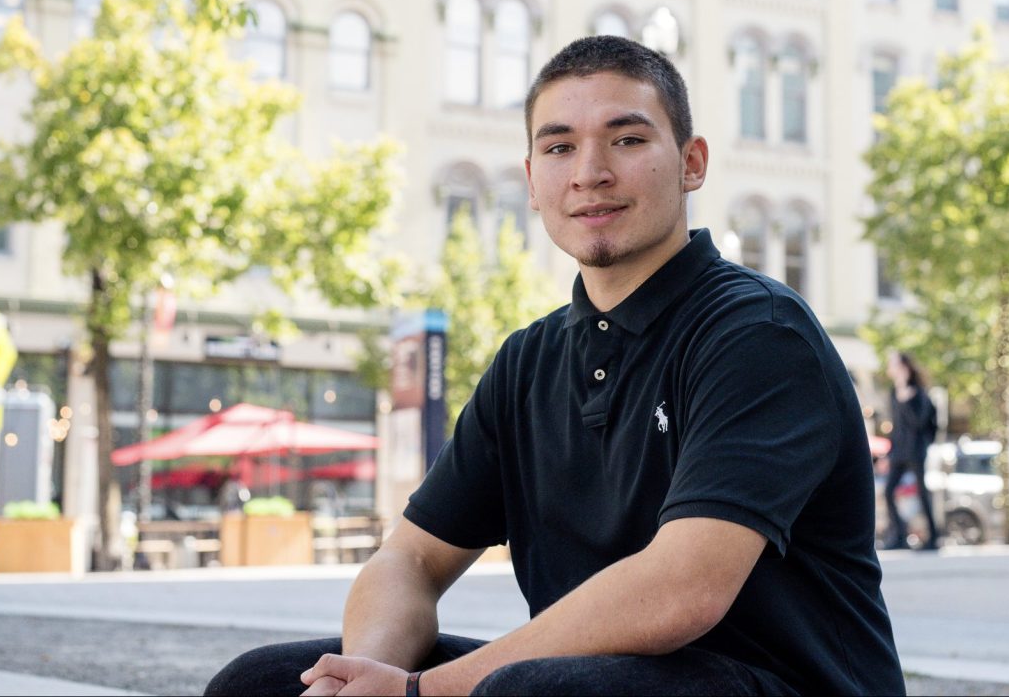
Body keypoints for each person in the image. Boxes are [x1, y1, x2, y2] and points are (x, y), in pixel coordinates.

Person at [205, 35, 905, 696]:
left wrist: (424, 690)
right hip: (593, 680)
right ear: (533, 181)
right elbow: (411, 562)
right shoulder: (527, 362)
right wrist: (373, 674)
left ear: (692, 162)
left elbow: (681, 590)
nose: (590, 173)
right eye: (560, 147)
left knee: (532, 690)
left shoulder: (757, 333)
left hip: (777, 681)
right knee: (265, 682)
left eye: (627, 140)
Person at [882, 351, 940, 551]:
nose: (890, 368)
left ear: (904, 367)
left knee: (922, 494)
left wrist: (907, 399)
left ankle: (933, 537)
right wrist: (888, 454)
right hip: (898, 452)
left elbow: (919, 422)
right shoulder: (892, 393)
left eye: (893, 364)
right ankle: (898, 535)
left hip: (915, 451)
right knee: (889, 492)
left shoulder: (919, 393)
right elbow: (895, 427)